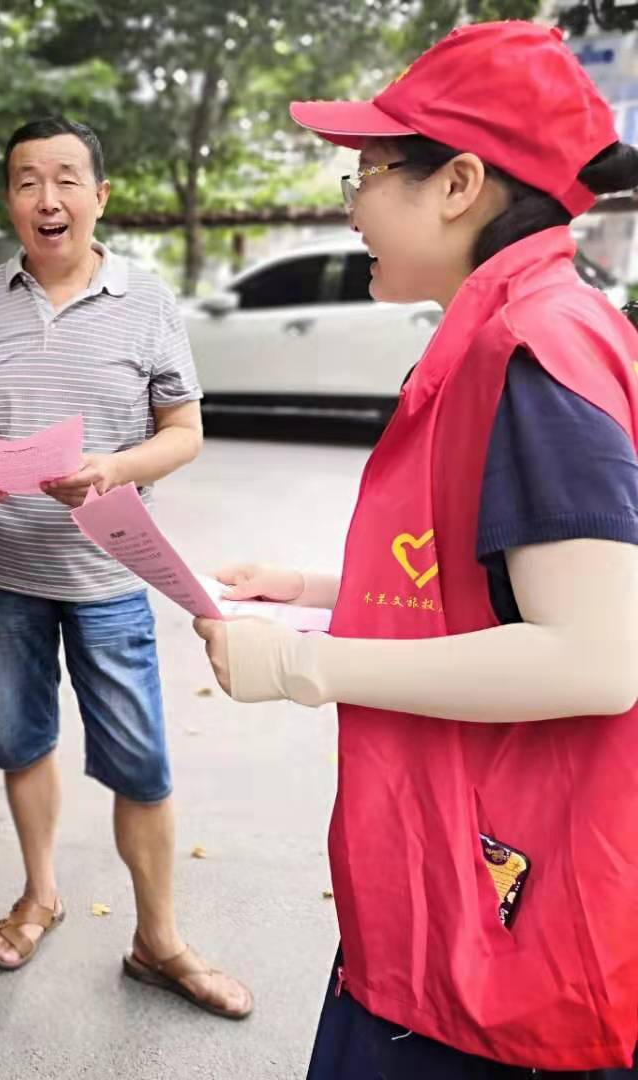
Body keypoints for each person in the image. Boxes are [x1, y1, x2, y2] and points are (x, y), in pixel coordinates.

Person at [193, 21, 638, 1076]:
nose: (352, 205)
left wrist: (304, 663)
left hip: (511, 934)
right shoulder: (515, 328)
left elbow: (596, 655)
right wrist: (313, 590)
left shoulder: (534, 349)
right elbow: (494, 582)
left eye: (368, 172)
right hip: (461, 887)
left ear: (460, 184)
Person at [0, 116, 251, 1018]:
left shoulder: (147, 302)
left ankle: (159, 940)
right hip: (3, 576)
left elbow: (184, 431)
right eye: (28, 180)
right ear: (9, 200)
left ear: (99, 197)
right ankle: (41, 895)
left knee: (141, 766)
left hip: (109, 577)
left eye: (67, 178)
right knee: (22, 744)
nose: (48, 197)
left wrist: (116, 467)